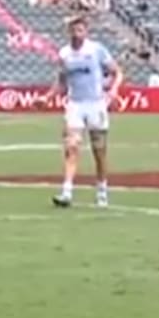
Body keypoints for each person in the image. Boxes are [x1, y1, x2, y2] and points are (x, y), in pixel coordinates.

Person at [46, 15, 123, 209]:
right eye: (73, 30)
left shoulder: (96, 50)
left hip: (95, 104)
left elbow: (117, 72)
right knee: (71, 147)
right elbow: (61, 81)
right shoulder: (64, 54)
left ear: (86, 32)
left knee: (99, 152)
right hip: (75, 105)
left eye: (80, 30)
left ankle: (102, 190)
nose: (77, 34)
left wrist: (113, 90)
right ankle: (66, 191)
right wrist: (47, 96)